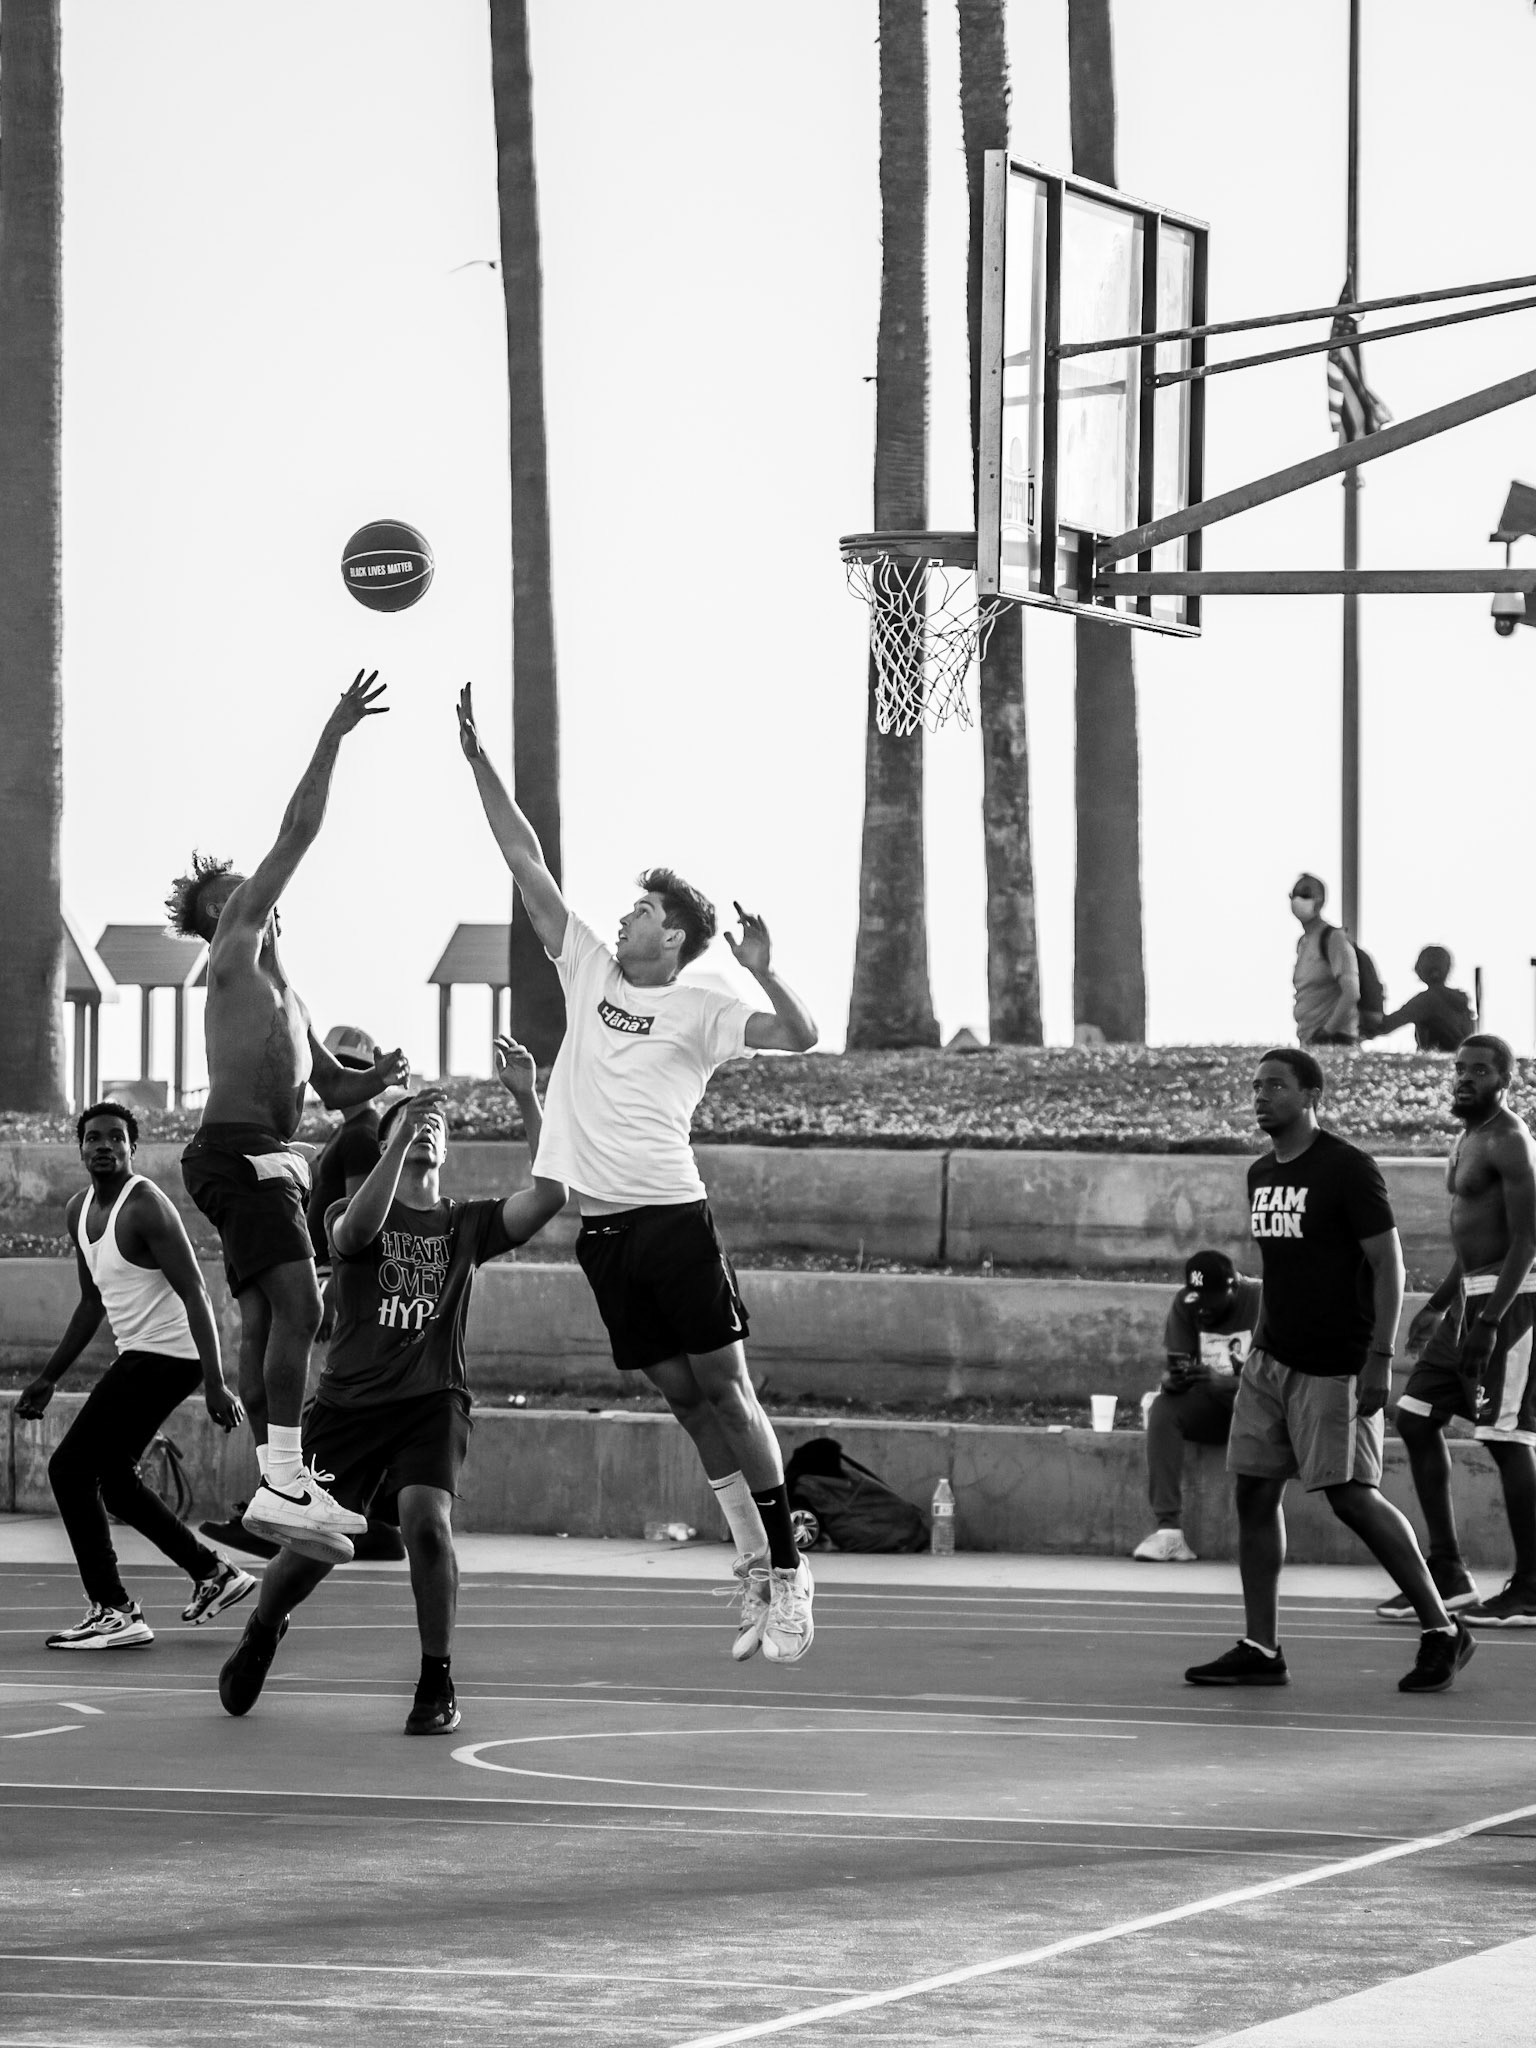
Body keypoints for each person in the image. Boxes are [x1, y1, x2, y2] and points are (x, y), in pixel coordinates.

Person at [454, 682, 821, 1666]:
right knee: (681, 1396)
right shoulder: (586, 969)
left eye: (643, 910)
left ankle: (790, 1573)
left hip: (671, 1214)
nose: (623, 918)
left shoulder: (704, 996)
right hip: (604, 1230)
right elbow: (524, 860)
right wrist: (479, 759)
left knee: (729, 1390)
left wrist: (764, 965)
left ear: (677, 934)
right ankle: (751, 1560)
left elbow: (801, 1035)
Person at [218, 1045, 566, 1734]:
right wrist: (399, 1130)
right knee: (309, 1557)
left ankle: (436, 1680)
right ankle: (263, 1627)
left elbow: (552, 1195)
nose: (425, 1129)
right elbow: (354, 1234)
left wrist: (528, 1096)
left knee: (426, 1527)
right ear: (387, 1140)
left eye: (435, 1124)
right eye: (410, 1122)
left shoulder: (467, 1223)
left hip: (432, 1401)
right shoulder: (353, 1206)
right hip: (349, 1406)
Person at [167, 672, 410, 1560]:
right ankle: (282, 1482)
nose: (251, 889)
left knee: (272, 1324)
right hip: (240, 1152)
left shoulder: (292, 997)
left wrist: (371, 1076)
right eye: (232, 889)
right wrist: (335, 732)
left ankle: (277, 1484)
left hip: (262, 1155)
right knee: (302, 1314)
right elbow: (298, 831)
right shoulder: (233, 948)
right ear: (220, 916)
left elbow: (332, 1090)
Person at [1185, 1048, 1475, 1693]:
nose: (1261, 1097)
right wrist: (1256, 1352)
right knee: (1254, 1494)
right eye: (1256, 1087)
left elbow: (1388, 1267)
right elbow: (1286, 1272)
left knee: (1350, 1495)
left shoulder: (1348, 1168)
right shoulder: (1261, 1173)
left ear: (1311, 1094)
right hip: (1270, 1363)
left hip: (1336, 1365)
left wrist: (1380, 1357)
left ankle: (1442, 1630)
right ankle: (1262, 1647)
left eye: (1277, 1087)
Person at [15, 1102, 252, 1649]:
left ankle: (114, 1609)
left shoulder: (145, 1205)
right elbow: (91, 1302)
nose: (104, 1145)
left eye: (116, 1138)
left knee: (70, 1468)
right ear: (80, 1149)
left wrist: (216, 1382)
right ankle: (213, 1574)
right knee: (115, 1482)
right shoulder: (78, 1211)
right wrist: (50, 1377)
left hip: (170, 1354)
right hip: (140, 1354)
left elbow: (198, 1292)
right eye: (94, 1137)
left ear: (132, 1148)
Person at [1381, 1035, 1536, 1628]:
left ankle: (1530, 1584)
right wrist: (1439, 1305)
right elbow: (1473, 1240)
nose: (1465, 1078)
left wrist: (1491, 1322)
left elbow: (1525, 1241)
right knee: (1417, 1417)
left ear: (1504, 1080)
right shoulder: (1468, 1136)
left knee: (1506, 1438)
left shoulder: (1510, 1141)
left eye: (1479, 1071)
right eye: (1460, 1069)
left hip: (1513, 1303)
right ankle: (1447, 1571)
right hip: (1469, 1302)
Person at [1131, 1250, 1260, 1563]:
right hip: (1211, 1409)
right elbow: (1174, 1364)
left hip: (1258, 1410)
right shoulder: (1185, 1304)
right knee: (1164, 1407)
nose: (1201, 1309)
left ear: (1233, 1288)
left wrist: (1228, 1383)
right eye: (1196, 1299)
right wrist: (1172, 1380)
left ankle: (1260, 1538)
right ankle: (1169, 1534)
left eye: (1210, 1301)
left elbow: (1282, 1382)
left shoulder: (1261, 1301)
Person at [1289, 874, 1361, 1048]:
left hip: (1334, 1041)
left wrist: (1326, 1032)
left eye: (1305, 894)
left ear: (1320, 901)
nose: (1299, 899)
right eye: (1295, 894)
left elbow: (1351, 992)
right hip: (1309, 1041)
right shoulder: (1303, 942)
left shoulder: (1333, 938)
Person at [1363, 947, 1477, 1053]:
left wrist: (1373, 997)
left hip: (1435, 1066)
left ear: (1420, 969)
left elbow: (1384, 1026)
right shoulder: (1460, 1001)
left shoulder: (1426, 1000)